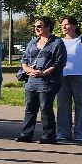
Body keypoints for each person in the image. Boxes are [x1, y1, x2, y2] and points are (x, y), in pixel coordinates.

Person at [16, 15, 66, 144]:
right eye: (35, 26)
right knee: (30, 108)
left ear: (48, 27)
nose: (36, 29)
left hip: (48, 82)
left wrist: (44, 73)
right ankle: (26, 134)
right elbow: (24, 61)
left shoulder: (57, 43)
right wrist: (29, 70)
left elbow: (58, 63)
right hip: (31, 82)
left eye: (39, 26)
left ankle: (49, 136)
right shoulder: (32, 42)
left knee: (45, 108)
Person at [56, 16, 82, 143]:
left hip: (80, 77)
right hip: (62, 77)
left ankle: (80, 134)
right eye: (62, 25)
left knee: (81, 105)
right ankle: (63, 133)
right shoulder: (59, 41)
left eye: (66, 24)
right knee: (62, 106)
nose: (63, 27)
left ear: (74, 26)